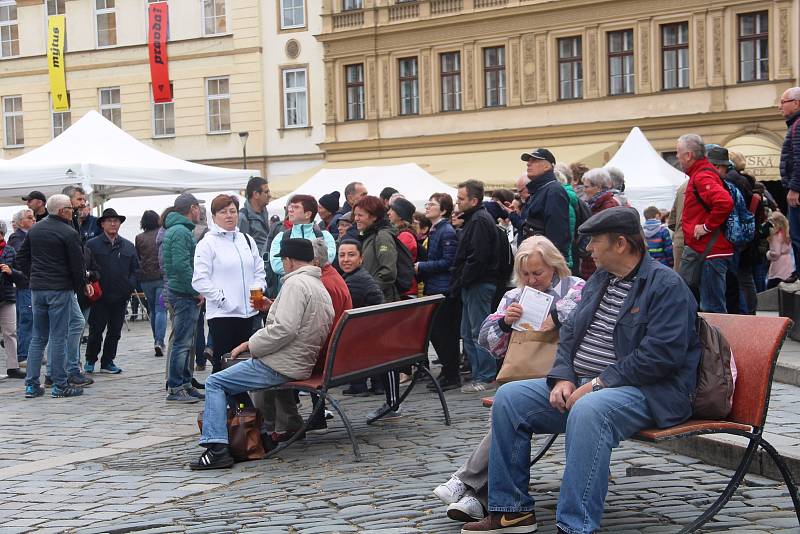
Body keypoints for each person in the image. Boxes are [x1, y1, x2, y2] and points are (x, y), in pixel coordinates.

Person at [461, 207, 700, 534]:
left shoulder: (665, 286)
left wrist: (600, 383)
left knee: (590, 410)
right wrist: (563, 376)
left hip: (650, 391)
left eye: (593, 241)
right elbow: (571, 333)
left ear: (619, 244)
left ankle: (574, 527)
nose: (587, 249)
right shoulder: (601, 280)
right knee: (510, 397)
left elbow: (662, 356)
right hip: (586, 384)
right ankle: (511, 511)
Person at [434, 236, 584, 522]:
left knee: (509, 412)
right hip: (521, 378)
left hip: (563, 381)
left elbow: (582, 315)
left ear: (554, 266)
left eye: (537, 273)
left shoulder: (574, 287)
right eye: (525, 274)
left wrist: (551, 312)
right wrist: (504, 323)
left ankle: (468, 484)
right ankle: (478, 498)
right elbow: (486, 341)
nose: (531, 280)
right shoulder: (514, 296)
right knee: (509, 406)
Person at [190, 238, 333, 470]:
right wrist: (272, 308)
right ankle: (261, 435)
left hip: (283, 364)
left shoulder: (295, 285)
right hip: (300, 359)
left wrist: (250, 344)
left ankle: (217, 447)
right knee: (230, 378)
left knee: (216, 382)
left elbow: (284, 329)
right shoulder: (318, 285)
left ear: (288, 261)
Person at [16, 194, 94, 399]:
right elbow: (77, 265)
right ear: (62, 211)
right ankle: (59, 384)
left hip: (37, 289)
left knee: (38, 337)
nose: (73, 211)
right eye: (70, 208)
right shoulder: (68, 232)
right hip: (59, 289)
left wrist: (33, 276)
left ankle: (32, 385)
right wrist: (83, 286)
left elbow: (21, 258)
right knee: (59, 336)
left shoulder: (35, 229)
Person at [192, 194, 266, 372]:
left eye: (232, 211)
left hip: (248, 313)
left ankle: (240, 400)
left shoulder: (247, 240)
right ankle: (222, 398)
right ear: (214, 216)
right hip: (223, 315)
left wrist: (259, 288)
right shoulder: (207, 243)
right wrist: (222, 299)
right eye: (223, 212)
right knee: (224, 362)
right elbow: (199, 279)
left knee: (244, 363)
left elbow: (258, 269)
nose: (229, 216)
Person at [354, 195, 405, 418]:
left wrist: (369, 288)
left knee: (387, 356)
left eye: (360, 215)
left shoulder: (382, 236)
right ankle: (390, 401)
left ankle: (393, 402)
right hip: (376, 302)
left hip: (383, 303)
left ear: (373, 217)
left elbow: (388, 272)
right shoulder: (371, 235)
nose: (356, 219)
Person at [450, 180, 500, 393]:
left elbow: (477, 257)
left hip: (478, 283)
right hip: (473, 282)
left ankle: (486, 377)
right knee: (469, 332)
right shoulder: (474, 219)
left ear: (474, 200)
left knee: (479, 331)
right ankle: (480, 373)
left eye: (461, 199)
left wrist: (464, 279)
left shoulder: (479, 220)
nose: (458, 203)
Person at [678, 134, 735, 312]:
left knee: (712, 309)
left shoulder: (701, 177)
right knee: (710, 306)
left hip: (709, 252)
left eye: (678, 153)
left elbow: (724, 202)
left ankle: (715, 341)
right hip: (708, 251)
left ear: (688, 155)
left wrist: (706, 227)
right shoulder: (703, 174)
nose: (677, 157)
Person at [84, 208, 139, 374]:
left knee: (115, 331)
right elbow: (85, 267)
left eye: (116, 220)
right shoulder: (92, 245)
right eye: (109, 220)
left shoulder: (128, 246)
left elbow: (136, 270)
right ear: (102, 224)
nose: (113, 223)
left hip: (120, 296)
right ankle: (90, 359)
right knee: (96, 331)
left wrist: (129, 286)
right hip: (99, 296)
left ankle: (108, 361)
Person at [163, 193, 206, 403]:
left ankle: (185, 384)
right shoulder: (180, 231)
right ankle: (175, 387)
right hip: (183, 293)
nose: (200, 212)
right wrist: (195, 289)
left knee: (186, 342)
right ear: (192, 208)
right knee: (182, 342)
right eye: (198, 207)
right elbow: (181, 265)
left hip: (181, 291)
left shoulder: (178, 230)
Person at [416, 193, 460, 391]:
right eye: (427, 203)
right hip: (435, 287)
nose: (427, 207)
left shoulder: (446, 231)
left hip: (442, 289)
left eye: (431, 204)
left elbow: (448, 262)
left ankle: (452, 374)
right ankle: (448, 370)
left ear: (443, 210)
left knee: (443, 334)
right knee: (437, 334)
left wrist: (422, 266)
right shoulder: (436, 230)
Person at [338, 239, 384, 396]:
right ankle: (377, 384)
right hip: (375, 331)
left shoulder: (355, 280)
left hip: (366, 334)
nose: (345, 260)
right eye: (341, 255)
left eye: (351, 255)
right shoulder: (360, 275)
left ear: (361, 258)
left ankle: (359, 385)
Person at [269, 195, 336, 290]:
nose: (290, 210)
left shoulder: (325, 236)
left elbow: (326, 261)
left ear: (308, 214)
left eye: (296, 207)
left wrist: (293, 263)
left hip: (318, 290)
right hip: (290, 290)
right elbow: (276, 266)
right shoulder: (281, 237)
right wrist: (312, 263)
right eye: (290, 207)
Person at [520, 148, 572, 260]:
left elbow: (557, 234)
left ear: (547, 166)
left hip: (545, 260)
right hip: (536, 257)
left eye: (534, 160)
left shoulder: (553, 191)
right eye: (529, 161)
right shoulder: (540, 190)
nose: (529, 164)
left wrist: (551, 263)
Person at [136, 210, 167, 357]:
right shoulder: (163, 234)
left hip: (145, 279)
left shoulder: (139, 238)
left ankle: (156, 339)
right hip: (161, 278)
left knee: (153, 310)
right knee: (161, 309)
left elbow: (138, 258)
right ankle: (159, 341)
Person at [579, 168, 618, 280]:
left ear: (599, 187)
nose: (584, 190)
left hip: (601, 261)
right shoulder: (593, 205)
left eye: (587, 187)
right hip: (593, 260)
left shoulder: (608, 206)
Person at [0, 220, 25, 379]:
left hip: (7, 296)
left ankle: (13, 367)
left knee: (10, 333)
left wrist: (11, 271)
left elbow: (22, 274)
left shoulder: (9, 250)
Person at [8, 209, 34, 365]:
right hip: (24, 283)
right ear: (20, 222)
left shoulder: (28, 236)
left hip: (29, 282)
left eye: (33, 217)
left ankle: (29, 351)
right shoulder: (17, 237)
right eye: (29, 218)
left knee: (31, 318)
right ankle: (23, 354)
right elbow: (20, 258)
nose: (33, 220)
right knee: (27, 318)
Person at [779, 87, 800, 276]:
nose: (780, 107)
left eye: (783, 102)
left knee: (797, 235)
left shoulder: (798, 125)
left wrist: (795, 188)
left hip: (797, 192)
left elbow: (798, 159)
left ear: (796, 103)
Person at [388, 197, 419, 298]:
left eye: (392, 210)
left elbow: (396, 259)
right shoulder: (398, 233)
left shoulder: (405, 235)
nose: (388, 213)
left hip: (406, 291)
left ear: (400, 216)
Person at [238, 177, 272, 256]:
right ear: (256, 194)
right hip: (253, 263)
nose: (270, 195)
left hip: (265, 262)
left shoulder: (264, 211)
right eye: (266, 192)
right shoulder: (243, 217)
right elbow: (241, 245)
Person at [767, 211, 794, 288]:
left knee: (771, 289)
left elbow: (776, 253)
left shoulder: (775, 235)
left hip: (778, 266)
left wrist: (768, 254)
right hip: (788, 264)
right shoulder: (787, 233)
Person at [668, 178, 689, 272]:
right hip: (697, 242)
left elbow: (671, 221)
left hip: (680, 239)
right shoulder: (709, 182)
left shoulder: (682, 187)